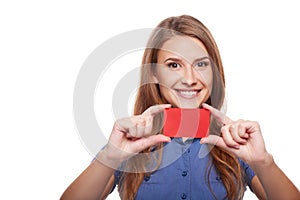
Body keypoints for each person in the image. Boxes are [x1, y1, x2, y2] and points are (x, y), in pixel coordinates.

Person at [61, 15, 299, 200]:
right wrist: (109, 157)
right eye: (174, 65)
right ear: (153, 73)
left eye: (201, 64)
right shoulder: (129, 142)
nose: (189, 78)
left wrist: (263, 162)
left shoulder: (235, 144)